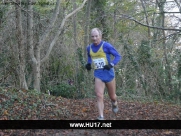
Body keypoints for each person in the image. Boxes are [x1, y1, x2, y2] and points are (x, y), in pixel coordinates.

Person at [85, 28, 121, 120]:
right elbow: (90, 57)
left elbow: (118, 56)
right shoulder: (89, 48)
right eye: (92, 36)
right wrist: (89, 64)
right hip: (98, 74)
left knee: (112, 96)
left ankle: (114, 103)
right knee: (99, 95)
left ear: (100, 36)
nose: (94, 38)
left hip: (108, 73)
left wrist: (111, 64)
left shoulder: (106, 46)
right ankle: (101, 116)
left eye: (96, 36)